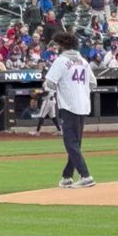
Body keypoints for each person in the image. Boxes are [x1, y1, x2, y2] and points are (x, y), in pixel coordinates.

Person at [44, 31, 97, 188]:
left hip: (69, 105)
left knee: (70, 143)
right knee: (75, 143)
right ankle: (67, 176)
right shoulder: (83, 61)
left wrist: (64, 85)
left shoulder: (61, 61)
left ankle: (85, 175)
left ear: (62, 45)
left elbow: (50, 83)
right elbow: (93, 84)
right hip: (84, 105)